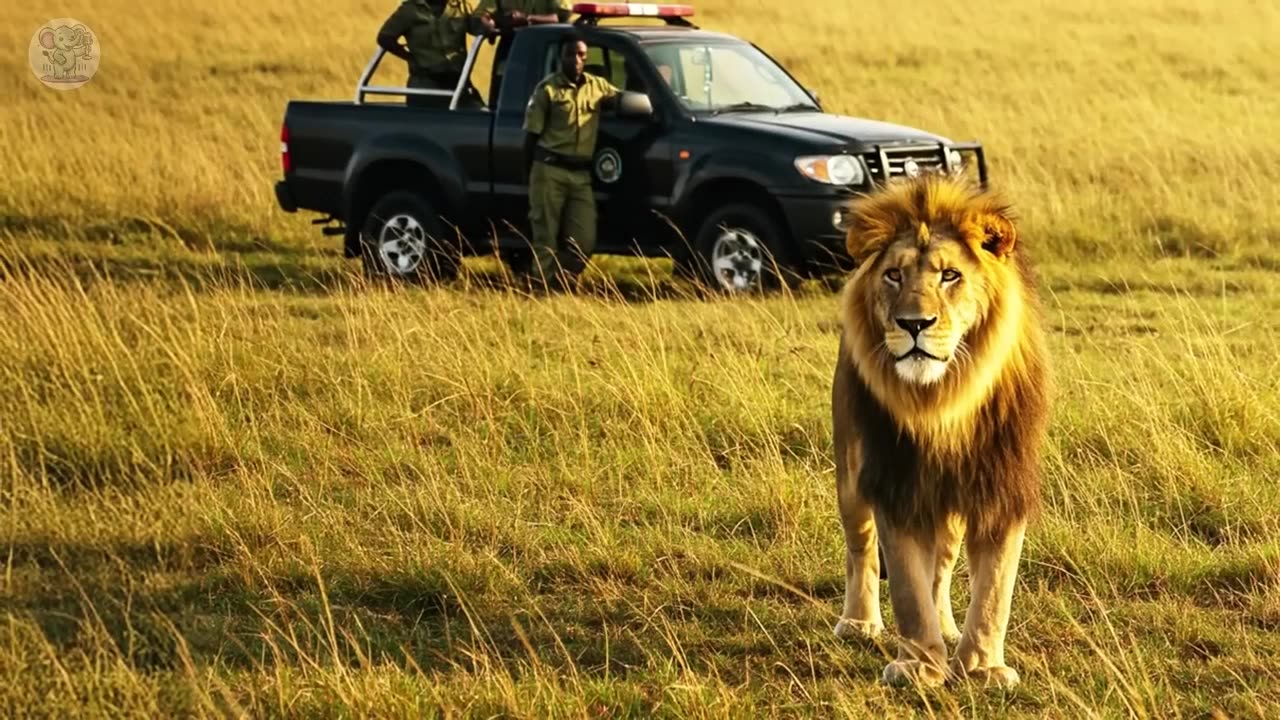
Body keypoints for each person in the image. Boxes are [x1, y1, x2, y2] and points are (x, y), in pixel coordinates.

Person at [522, 32, 620, 291]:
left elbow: (620, 99)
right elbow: (530, 138)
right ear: (560, 56)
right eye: (571, 54)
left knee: (584, 240)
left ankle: (563, 281)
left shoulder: (597, 86)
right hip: (549, 169)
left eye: (581, 55)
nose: (577, 60)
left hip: (580, 174)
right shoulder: (547, 89)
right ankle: (542, 291)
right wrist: (530, 175)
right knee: (545, 236)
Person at [376, 0, 478, 107]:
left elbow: (478, 28)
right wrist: (410, 58)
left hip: (458, 81)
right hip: (425, 82)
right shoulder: (410, 10)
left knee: (476, 116)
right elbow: (385, 37)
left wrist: (488, 23)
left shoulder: (460, 7)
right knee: (427, 119)